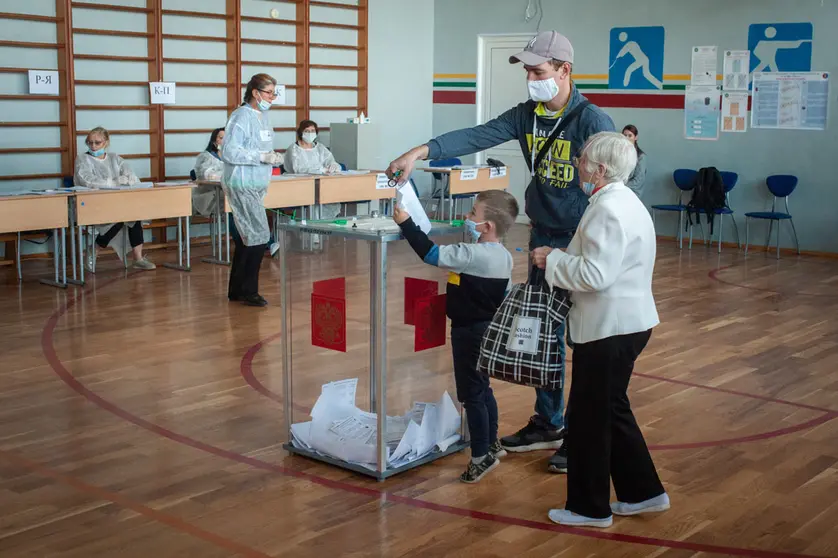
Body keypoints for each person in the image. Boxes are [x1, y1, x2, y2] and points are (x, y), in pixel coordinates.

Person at [386, 30, 615, 474]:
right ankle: (549, 421)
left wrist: (588, 247)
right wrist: (420, 151)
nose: (530, 78)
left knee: (580, 340)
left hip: (579, 240)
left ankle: (580, 432)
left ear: (565, 71)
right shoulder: (525, 116)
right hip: (542, 237)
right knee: (541, 335)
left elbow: (612, 183)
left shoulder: (592, 122)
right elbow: (475, 136)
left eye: (538, 70)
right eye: (527, 70)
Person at [530, 132, 668, 528]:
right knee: (612, 409)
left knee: (590, 419)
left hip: (610, 328)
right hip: (629, 323)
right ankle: (644, 493)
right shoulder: (625, 201)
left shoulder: (608, 209)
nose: (578, 166)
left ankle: (588, 508)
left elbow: (595, 274)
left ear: (600, 169)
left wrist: (552, 259)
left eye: (582, 160)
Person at [393, 190, 519, 483]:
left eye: (473, 213)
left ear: (487, 226)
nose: (467, 217)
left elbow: (430, 254)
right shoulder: (503, 256)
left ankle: (480, 457)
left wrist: (406, 223)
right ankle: (490, 443)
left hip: (468, 333)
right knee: (483, 388)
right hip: (487, 329)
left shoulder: (471, 255)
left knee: (471, 395)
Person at [220, 73, 283, 307]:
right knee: (259, 235)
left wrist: (272, 157)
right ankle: (249, 290)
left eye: (274, 93)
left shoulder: (263, 117)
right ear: (255, 93)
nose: (272, 98)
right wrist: (261, 157)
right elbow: (229, 152)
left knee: (250, 237)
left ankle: (237, 289)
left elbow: (261, 147)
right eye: (269, 93)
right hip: (241, 182)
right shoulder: (241, 116)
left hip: (257, 184)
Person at [73, 126, 155, 271]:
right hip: (93, 202)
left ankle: (138, 258)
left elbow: (131, 175)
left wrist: (129, 178)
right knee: (120, 216)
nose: (93, 146)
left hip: (116, 201)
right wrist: (114, 181)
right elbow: (87, 180)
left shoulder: (114, 158)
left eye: (97, 142)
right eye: (89, 142)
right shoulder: (83, 159)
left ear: (106, 142)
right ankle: (94, 250)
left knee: (134, 214)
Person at [285, 120, 343, 219]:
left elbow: (330, 160)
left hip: (321, 183)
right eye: (307, 131)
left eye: (312, 131)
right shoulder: (294, 149)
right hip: (300, 185)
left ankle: (323, 227)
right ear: (301, 132)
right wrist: (319, 170)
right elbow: (298, 168)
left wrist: (334, 166)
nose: (310, 133)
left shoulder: (320, 147)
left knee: (329, 196)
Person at [192, 127, 225, 216]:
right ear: (214, 141)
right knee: (233, 202)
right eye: (221, 138)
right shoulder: (206, 157)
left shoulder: (233, 158)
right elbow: (207, 175)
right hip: (209, 195)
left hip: (226, 192)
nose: (225, 141)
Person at [621, 125, 647, 197]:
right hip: (619, 189)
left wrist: (620, 187)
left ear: (636, 137)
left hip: (632, 191)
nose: (626, 138)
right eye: (625, 135)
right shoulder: (619, 154)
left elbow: (638, 181)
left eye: (630, 136)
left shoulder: (641, 157)